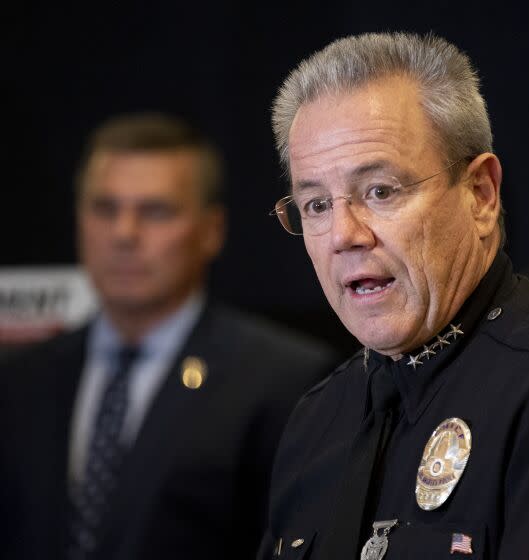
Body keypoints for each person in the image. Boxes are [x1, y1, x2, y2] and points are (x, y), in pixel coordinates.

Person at [261, 31, 529, 559]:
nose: (343, 235)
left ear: (481, 195)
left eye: (380, 191)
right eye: (316, 205)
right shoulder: (316, 417)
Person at [0, 113, 335, 560]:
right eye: (105, 208)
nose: (124, 234)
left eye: (155, 211)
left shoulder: (287, 384)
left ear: (211, 231)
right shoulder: (21, 380)